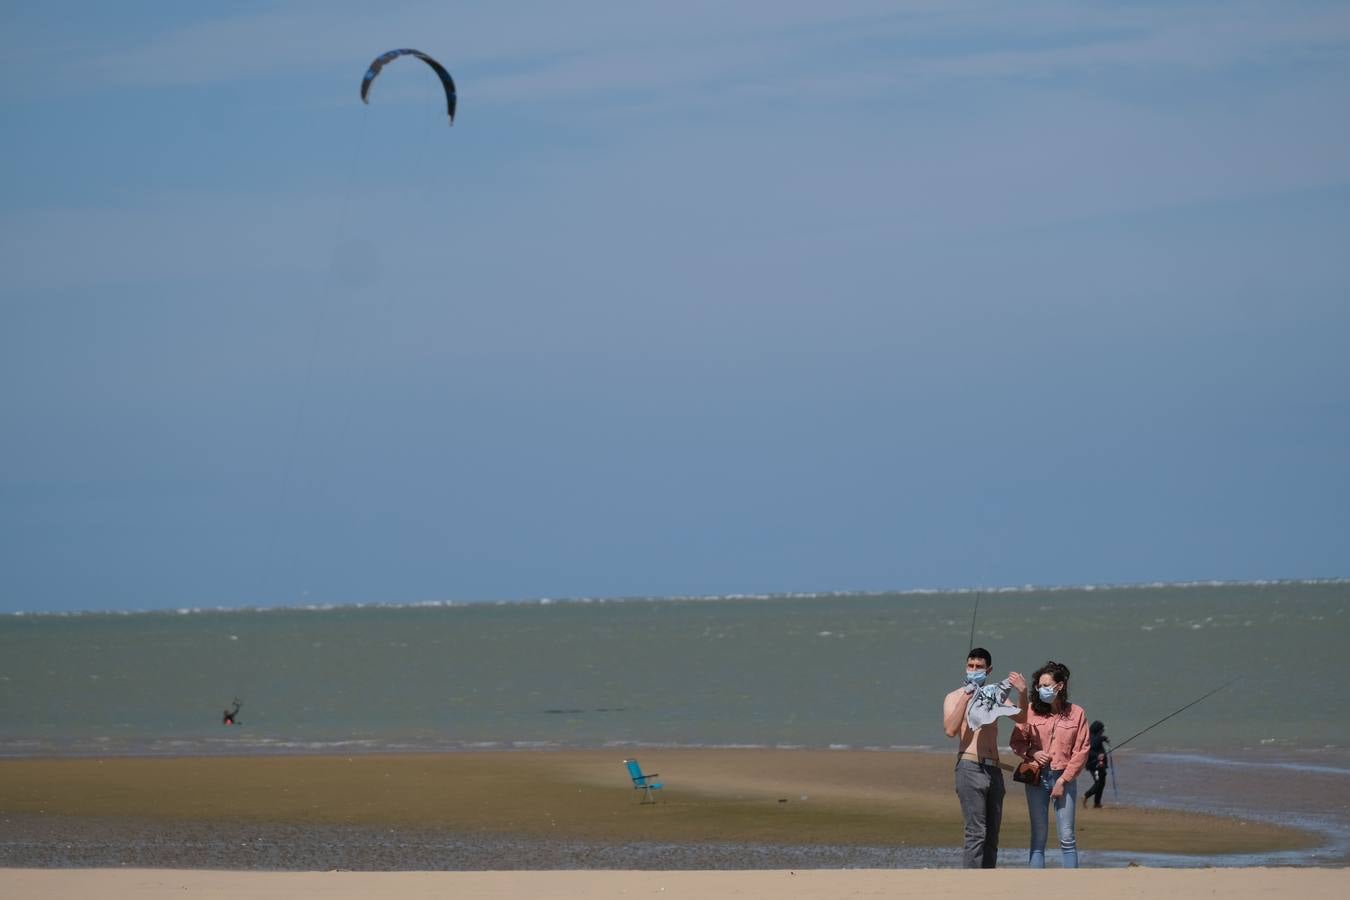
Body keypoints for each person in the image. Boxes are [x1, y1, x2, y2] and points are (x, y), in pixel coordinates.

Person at [942, 648, 1026, 868]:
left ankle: (988, 884)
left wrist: (1022, 693)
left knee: (992, 836)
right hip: (969, 767)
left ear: (988, 670)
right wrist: (966, 698)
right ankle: (972, 886)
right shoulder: (954, 696)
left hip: (994, 769)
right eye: (970, 666)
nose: (974, 670)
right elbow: (950, 730)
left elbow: (1022, 718)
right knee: (976, 833)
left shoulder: (994, 695)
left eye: (979, 667)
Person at [1011, 660, 1091, 868]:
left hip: (1064, 779)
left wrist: (1063, 781)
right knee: (1038, 836)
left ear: (1060, 686)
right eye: (1039, 686)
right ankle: (1036, 884)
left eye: (1046, 685)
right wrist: (1033, 752)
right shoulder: (1029, 711)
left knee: (1067, 837)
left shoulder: (1077, 713)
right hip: (1036, 777)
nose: (1042, 690)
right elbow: (1016, 742)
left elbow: (1081, 751)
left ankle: (1070, 885)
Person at [1082, 720, 1109, 808]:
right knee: (1098, 783)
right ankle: (1086, 796)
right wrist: (1098, 756)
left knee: (1102, 783)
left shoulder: (1096, 737)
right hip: (1095, 766)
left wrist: (1104, 738)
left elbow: (1099, 739)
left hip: (1100, 766)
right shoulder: (1093, 739)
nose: (1103, 731)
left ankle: (1097, 803)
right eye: (1102, 730)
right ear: (1098, 730)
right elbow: (1088, 752)